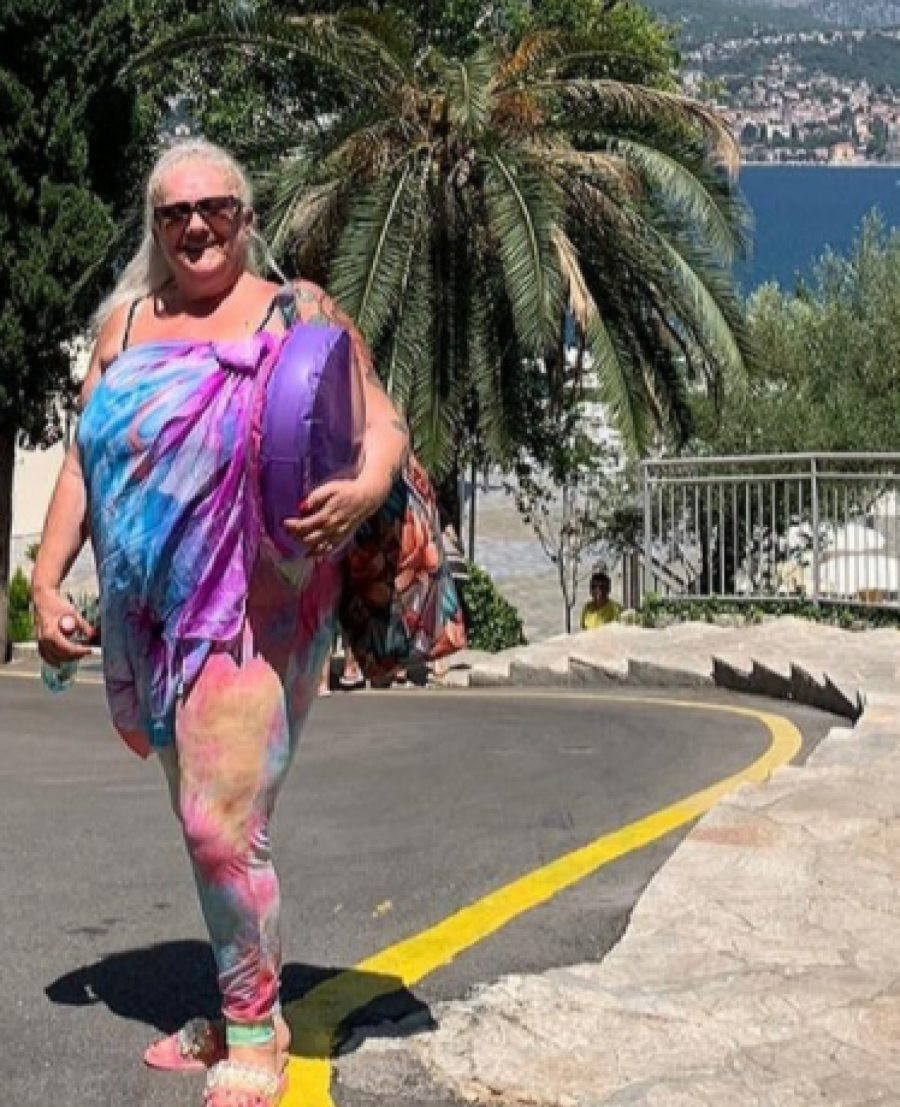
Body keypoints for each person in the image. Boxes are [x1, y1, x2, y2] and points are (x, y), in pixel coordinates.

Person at [31, 138, 408, 1107]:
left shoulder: (297, 310)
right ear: (155, 227)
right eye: (175, 213)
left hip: (262, 612)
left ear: (247, 217)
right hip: (152, 616)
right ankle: (258, 1004)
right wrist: (46, 577)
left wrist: (366, 487)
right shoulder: (124, 326)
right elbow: (82, 459)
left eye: (216, 209)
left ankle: (250, 1032)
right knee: (207, 820)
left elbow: (383, 422)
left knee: (217, 824)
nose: (196, 226)